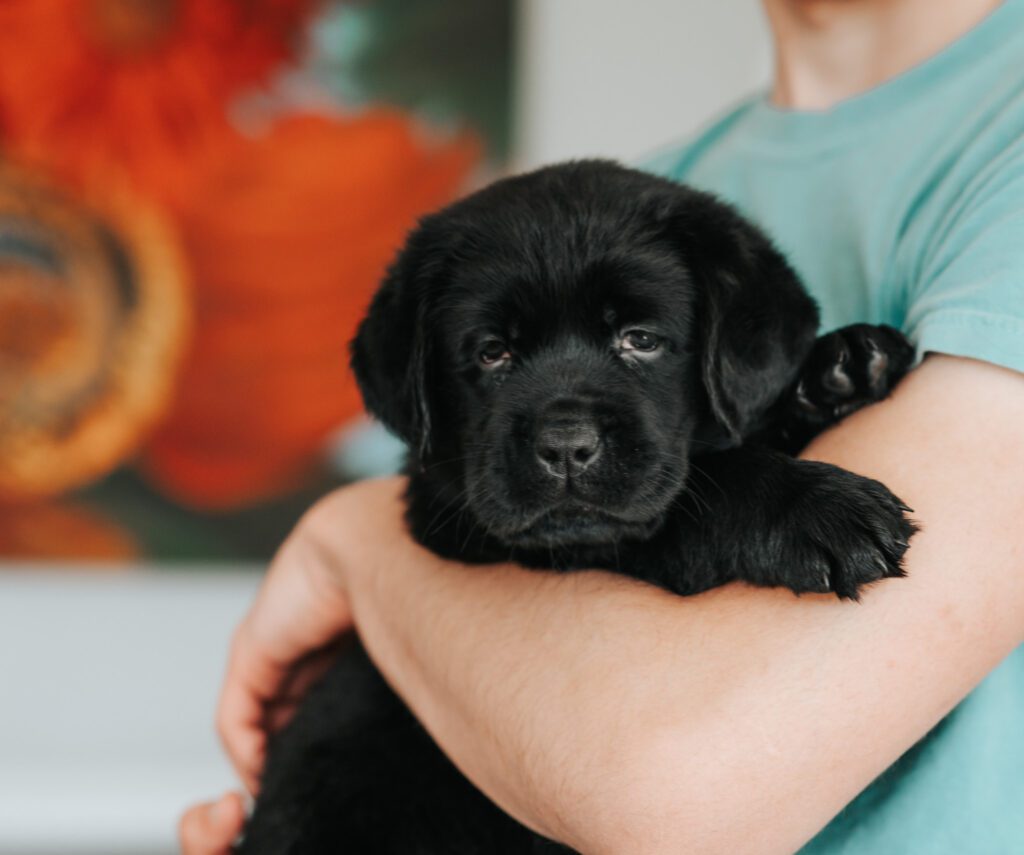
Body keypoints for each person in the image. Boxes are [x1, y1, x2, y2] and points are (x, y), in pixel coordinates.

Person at [181, 0, 1024, 851]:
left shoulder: (997, 134)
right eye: (495, 354)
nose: (567, 434)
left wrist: (349, 543)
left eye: (639, 339)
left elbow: (674, 790)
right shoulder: (666, 181)